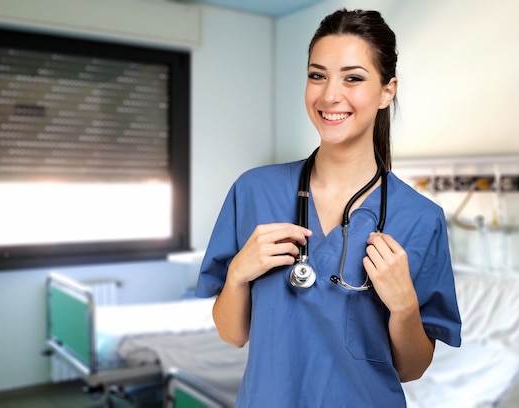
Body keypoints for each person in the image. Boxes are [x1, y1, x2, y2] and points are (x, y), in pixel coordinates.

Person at [195, 8, 461, 407]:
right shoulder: (254, 191)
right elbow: (232, 334)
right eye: (317, 75)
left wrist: (404, 306)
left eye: (353, 78)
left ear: (387, 91)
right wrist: (237, 274)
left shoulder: (421, 218)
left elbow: (411, 369)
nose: (329, 95)